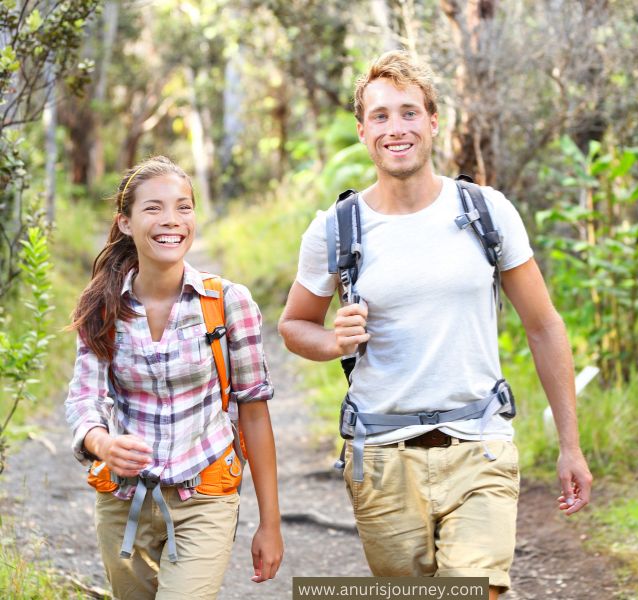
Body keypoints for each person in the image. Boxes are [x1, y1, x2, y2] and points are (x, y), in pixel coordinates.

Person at [278, 51, 592, 598]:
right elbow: (293, 326)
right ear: (362, 130)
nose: (395, 128)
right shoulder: (335, 228)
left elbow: (543, 325)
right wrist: (334, 340)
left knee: (478, 589)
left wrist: (571, 444)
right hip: (379, 455)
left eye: (408, 112)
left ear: (432, 121)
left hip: (480, 442)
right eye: (380, 116)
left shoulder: (485, 211)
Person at [65, 156, 283, 599]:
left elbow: (254, 415)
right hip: (124, 501)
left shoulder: (227, 303)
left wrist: (271, 524)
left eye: (184, 207)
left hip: (205, 493)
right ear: (125, 222)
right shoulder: (102, 306)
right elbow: (85, 399)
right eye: (154, 208)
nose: (171, 221)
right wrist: (103, 443)